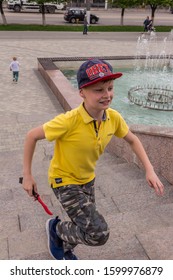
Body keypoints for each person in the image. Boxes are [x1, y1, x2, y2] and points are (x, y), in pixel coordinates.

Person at [22, 58, 164, 260]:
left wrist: (149, 169)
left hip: (87, 180)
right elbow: (31, 136)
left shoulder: (113, 118)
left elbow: (133, 140)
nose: (106, 95)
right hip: (64, 181)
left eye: (110, 88)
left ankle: (63, 247)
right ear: (82, 92)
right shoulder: (69, 121)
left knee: (85, 224)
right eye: (98, 90)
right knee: (98, 233)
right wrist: (27, 175)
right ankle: (56, 229)